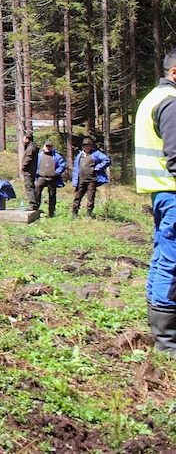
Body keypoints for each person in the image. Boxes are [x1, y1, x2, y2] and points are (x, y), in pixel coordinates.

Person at [134, 50, 176, 356]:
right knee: (172, 264)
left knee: (164, 257)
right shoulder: (171, 103)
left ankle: (160, 329)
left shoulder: (153, 98)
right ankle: (168, 342)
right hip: (172, 193)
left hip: (162, 193)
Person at [71, 138, 111, 217]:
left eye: (89, 146)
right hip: (81, 180)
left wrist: (97, 167)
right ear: (83, 146)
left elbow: (107, 160)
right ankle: (74, 213)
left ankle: (88, 214)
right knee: (77, 197)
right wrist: (75, 181)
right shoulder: (80, 155)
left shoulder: (96, 153)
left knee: (90, 197)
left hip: (92, 180)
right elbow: (76, 169)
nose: (87, 147)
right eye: (86, 146)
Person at [34, 140, 66, 217]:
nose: (48, 148)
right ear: (44, 147)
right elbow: (34, 164)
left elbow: (62, 165)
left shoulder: (56, 156)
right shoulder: (39, 155)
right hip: (41, 177)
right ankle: (35, 208)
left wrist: (57, 172)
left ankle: (51, 212)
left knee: (52, 195)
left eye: (49, 146)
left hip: (52, 178)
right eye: (46, 146)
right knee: (37, 193)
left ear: (51, 147)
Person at [20, 132, 39, 210]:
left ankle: (33, 204)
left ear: (27, 139)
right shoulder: (30, 147)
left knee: (29, 187)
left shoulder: (30, 148)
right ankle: (34, 203)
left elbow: (28, 158)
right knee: (30, 186)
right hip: (30, 170)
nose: (23, 140)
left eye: (24, 138)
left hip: (29, 171)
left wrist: (23, 166)